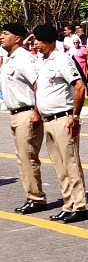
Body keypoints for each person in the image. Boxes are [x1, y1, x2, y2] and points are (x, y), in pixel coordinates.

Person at [33, 23, 88, 223]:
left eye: (38, 40)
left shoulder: (62, 60)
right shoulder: (42, 61)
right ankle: (68, 204)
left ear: (48, 42)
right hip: (48, 120)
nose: (35, 44)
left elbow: (79, 87)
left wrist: (75, 116)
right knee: (59, 165)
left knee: (70, 163)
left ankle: (79, 205)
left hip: (63, 118)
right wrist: (37, 112)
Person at [1, 23, 47, 214]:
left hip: (27, 112)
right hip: (15, 113)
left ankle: (36, 198)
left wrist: (37, 112)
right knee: (22, 158)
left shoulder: (24, 59)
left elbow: (38, 85)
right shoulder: (10, 59)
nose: (1, 36)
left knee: (28, 157)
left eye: (5, 33)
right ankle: (32, 195)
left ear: (18, 38)